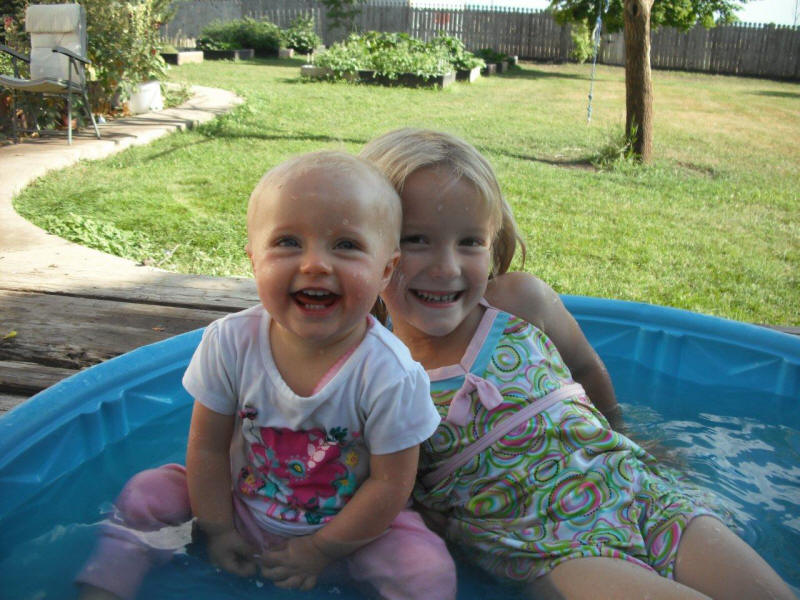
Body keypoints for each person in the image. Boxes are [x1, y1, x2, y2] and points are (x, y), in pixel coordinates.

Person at [360, 128, 797, 600]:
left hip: (637, 491)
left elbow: (586, 370)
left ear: (495, 241)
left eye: (469, 242)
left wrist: (625, 433)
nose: (447, 267)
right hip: (544, 544)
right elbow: (389, 492)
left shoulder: (518, 302)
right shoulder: (374, 374)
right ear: (368, 243)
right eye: (416, 239)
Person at [76, 150, 456, 600]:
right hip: (238, 510)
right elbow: (207, 447)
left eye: (346, 245)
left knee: (424, 569)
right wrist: (217, 527)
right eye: (288, 242)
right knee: (147, 494)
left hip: (352, 534)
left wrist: (322, 549)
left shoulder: (391, 374)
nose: (315, 264)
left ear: (386, 270)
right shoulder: (230, 343)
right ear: (254, 260)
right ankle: (104, 591)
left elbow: (390, 485)